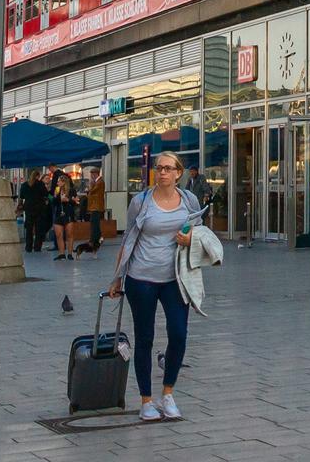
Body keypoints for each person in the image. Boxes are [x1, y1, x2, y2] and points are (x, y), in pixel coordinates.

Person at [108, 150, 199, 422]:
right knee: (144, 338)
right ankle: (146, 400)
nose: (162, 173)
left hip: (176, 279)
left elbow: (199, 231)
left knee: (178, 334)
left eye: (169, 168)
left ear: (178, 173)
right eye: (159, 168)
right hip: (141, 278)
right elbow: (127, 240)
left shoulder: (189, 200)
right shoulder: (141, 201)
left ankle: (168, 393)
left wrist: (190, 239)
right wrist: (117, 277)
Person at [17, 170, 50, 252]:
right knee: (39, 229)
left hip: (28, 208)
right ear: (37, 176)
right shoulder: (40, 184)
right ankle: (37, 247)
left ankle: (28, 246)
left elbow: (22, 196)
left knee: (29, 228)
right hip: (39, 209)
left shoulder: (24, 185)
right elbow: (46, 194)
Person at [52, 175, 78, 261]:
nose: (57, 183)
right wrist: (56, 197)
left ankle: (70, 253)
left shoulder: (72, 190)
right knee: (59, 235)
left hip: (68, 214)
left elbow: (76, 202)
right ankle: (61, 253)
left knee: (69, 235)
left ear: (64, 182)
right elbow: (54, 203)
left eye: (59, 181)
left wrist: (68, 200)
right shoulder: (57, 190)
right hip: (59, 214)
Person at [86, 166, 106, 258]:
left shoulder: (100, 182)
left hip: (96, 206)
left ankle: (94, 240)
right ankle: (97, 238)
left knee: (95, 224)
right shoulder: (98, 182)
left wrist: (89, 187)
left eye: (92, 174)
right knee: (94, 223)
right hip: (95, 206)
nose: (91, 176)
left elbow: (92, 191)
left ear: (96, 174)